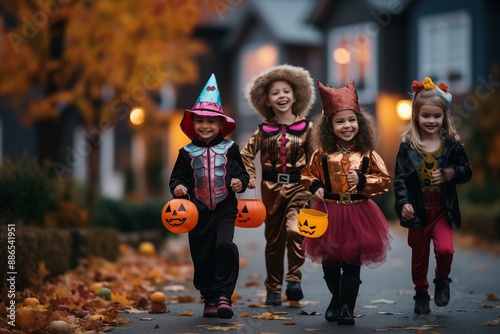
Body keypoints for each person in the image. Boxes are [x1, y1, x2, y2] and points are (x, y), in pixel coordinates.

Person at [301, 79, 392, 325]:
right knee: (330, 263)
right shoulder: (321, 154)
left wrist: (362, 180)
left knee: (352, 262)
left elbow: (383, 180)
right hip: (328, 211)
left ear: (360, 123)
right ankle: (337, 298)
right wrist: (316, 186)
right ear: (329, 126)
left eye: (351, 120)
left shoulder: (367, 153)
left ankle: (347, 309)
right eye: (340, 121)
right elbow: (307, 175)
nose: (347, 125)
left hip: (358, 212)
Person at [169, 73, 250, 319]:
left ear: (220, 125)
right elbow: (176, 178)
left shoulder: (231, 148)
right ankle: (210, 296)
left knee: (224, 245)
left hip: (225, 207)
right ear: (192, 123)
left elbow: (242, 175)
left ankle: (224, 294)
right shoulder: (185, 152)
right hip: (197, 212)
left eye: (212, 122)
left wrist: (240, 182)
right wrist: (178, 188)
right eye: (200, 121)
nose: (206, 126)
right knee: (202, 253)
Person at [394, 77, 472, 315]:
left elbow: (466, 172)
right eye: (426, 116)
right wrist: (404, 202)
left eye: (436, 116)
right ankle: (420, 292)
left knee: (445, 250)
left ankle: (442, 281)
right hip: (418, 211)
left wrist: (451, 173)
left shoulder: (452, 146)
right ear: (416, 116)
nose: (431, 120)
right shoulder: (408, 147)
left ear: (444, 117)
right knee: (419, 258)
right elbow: (400, 180)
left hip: (441, 210)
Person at [240, 64, 315, 306]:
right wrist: (249, 176)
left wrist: (317, 185)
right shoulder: (262, 131)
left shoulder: (308, 129)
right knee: (274, 241)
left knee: (296, 229)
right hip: (270, 188)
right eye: (275, 93)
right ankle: (273, 288)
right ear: (268, 101)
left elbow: (316, 159)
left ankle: (293, 279)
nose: (281, 96)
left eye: (286, 91)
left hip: (300, 187)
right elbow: (245, 155)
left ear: (295, 97)